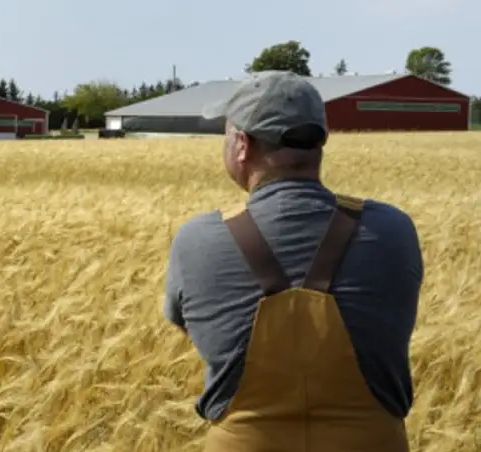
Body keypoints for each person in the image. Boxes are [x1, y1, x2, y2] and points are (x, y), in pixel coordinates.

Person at [163, 70, 423, 451]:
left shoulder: (196, 240)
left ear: (241, 145)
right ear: (320, 139)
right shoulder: (394, 230)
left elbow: (191, 327)